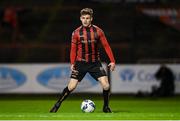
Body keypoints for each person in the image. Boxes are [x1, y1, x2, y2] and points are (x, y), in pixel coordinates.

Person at [50, 8, 115, 113]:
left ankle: (106, 107)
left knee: (106, 85)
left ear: (91, 19)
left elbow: (106, 46)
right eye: (83, 18)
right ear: (80, 18)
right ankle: (57, 104)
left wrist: (112, 61)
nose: (85, 20)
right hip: (80, 63)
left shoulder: (98, 31)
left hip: (94, 63)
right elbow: (73, 50)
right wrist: (72, 63)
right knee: (71, 86)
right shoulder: (76, 33)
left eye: (87, 18)